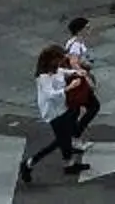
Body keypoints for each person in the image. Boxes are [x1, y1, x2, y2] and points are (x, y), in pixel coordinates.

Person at [23, 46, 87, 182]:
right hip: (53, 112)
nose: (61, 63)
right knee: (61, 139)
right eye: (59, 60)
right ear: (51, 60)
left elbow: (64, 72)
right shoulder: (44, 77)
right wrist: (69, 87)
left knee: (65, 137)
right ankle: (30, 162)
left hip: (62, 107)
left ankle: (69, 163)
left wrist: (76, 72)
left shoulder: (56, 70)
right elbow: (51, 95)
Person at [61, 17, 100, 146]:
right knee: (93, 106)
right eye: (87, 28)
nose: (89, 30)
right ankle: (75, 135)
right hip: (78, 82)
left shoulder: (73, 42)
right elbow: (74, 64)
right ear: (80, 30)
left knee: (76, 110)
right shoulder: (76, 45)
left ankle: (73, 138)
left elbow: (76, 60)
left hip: (76, 81)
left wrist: (86, 63)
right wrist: (87, 78)